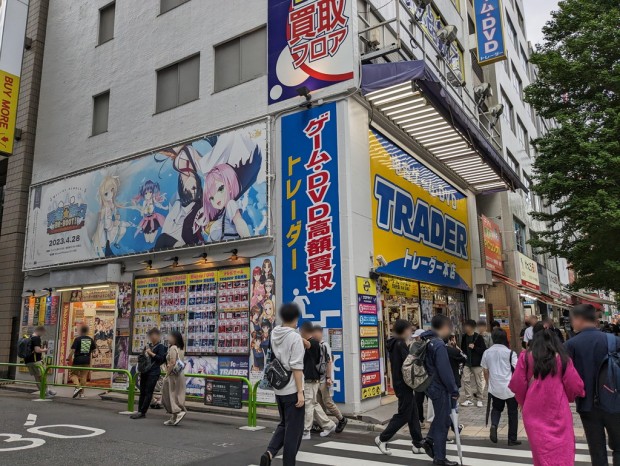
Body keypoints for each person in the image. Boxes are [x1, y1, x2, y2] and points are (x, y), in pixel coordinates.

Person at [509, 323, 585, 466]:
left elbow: (517, 384)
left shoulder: (526, 357)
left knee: (540, 453)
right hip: (558, 411)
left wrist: (522, 401)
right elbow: (575, 385)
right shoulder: (563, 359)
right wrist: (568, 397)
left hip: (533, 412)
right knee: (564, 451)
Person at [565, 304, 620, 466]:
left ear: (580, 319)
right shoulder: (614, 341)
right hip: (615, 401)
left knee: (597, 451)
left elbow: (568, 377)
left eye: (572, 319)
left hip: (587, 404)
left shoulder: (571, 345)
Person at [260, 303, 306, 466]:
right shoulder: (294, 337)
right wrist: (300, 392)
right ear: (295, 318)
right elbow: (297, 366)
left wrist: (302, 341)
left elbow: (286, 342)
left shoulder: (274, 333)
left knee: (284, 424)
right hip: (292, 389)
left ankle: (270, 452)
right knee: (293, 431)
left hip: (279, 389)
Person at [375, 319, 424, 456]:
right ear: (404, 330)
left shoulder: (394, 343)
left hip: (400, 383)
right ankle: (382, 438)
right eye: (409, 330)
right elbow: (408, 363)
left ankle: (418, 443)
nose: (411, 332)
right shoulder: (400, 344)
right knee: (404, 414)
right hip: (403, 384)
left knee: (413, 413)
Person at [419, 315, 460, 466]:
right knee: (443, 422)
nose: (450, 331)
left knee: (441, 417)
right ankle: (440, 458)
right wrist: (454, 389)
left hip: (430, 386)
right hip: (440, 387)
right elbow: (445, 370)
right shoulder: (438, 344)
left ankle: (429, 440)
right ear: (443, 327)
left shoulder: (427, 340)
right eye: (449, 328)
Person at [480, 328, 520, 446]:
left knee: (496, 409)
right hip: (510, 387)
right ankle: (512, 439)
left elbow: (485, 370)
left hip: (495, 387)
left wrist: (488, 383)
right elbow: (518, 369)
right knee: (512, 412)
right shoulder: (510, 353)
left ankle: (494, 425)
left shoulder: (487, 352)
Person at [300, 321, 336, 440]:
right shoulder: (314, 343)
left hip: (310, 379)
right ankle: (328, 425)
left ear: (305, 331)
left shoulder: (313, 343)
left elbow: (306, 343)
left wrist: (293, 335)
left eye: (301, 331)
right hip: (312, 379)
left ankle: (306, 431)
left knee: (308, 405)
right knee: (314, 404)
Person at [313, 325, 347, 433]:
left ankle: (342, 419)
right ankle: (322, 424)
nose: (314, 335)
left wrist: (329, 377)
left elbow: (329, 361)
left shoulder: (324, 345)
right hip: (317, 379)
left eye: (316, 333)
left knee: (327, 402)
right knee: (319, 403)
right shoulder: (315, 345)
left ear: (320, 333)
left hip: (324, 379)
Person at [131, 328, 167, 419]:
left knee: (148, 392)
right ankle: (139, 410)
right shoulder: (147, 346)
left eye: (154, 335)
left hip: (154, 372)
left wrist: (151, 353)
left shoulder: (161, 347)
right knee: (142, 391)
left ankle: (143, 412)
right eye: (151, 335)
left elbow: (161, 359)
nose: (152, 337)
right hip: (144, 371)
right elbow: (142, 357)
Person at [161, 330, 187, 426]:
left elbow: (172, 363)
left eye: (170, 337)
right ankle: (173, 418)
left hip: (173, 375)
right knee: (176, 395)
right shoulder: (181, 348)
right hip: (180, 374)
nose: (168, 338)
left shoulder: (172, 348)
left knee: (169, 395)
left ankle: (178, 412)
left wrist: (167, 374)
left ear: (174, 338)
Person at [460, 319, 486, 407]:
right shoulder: (464, 337)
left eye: (467, 326)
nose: (465, 328)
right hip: (467, 362)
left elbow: (483, 350)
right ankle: (469, 399)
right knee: (466, 380)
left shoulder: (478, 337)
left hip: (477, 363)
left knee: (478, 381)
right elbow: (462, 348)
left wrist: (474, 347)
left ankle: (479, 399)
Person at [24, 326, 56, 397]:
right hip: (36, 361)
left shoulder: (29, 337)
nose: (43, 334)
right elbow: (37, 350)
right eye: (43, 332)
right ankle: (46, 393)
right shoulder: (36, 338)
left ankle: (47, 391)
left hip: (28, 361)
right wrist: (45, 350)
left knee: (38, 378)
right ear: (40, 331)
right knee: (42, 377)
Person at [66, 325, 95, 399]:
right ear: (87, 331)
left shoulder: (77, 339)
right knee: (83, 377)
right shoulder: (90, 339)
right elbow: (93, 351)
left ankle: (77, 386)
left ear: (81, 331)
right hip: (87, 359)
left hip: (78, 359)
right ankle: (82, 394)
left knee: (73, 374)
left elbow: (73, 350)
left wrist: (68, 358)